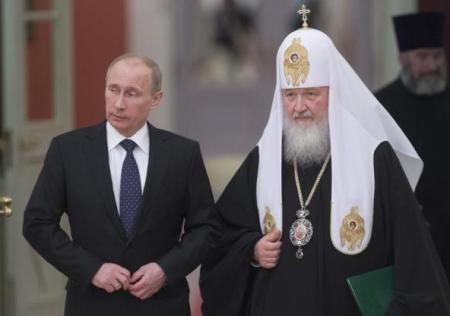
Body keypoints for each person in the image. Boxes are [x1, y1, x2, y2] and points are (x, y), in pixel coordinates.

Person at [200, 9, 450, 316]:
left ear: (334, 93)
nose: (299, 106)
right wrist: (251, 249)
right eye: (290, 95)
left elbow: (414, 256)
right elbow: (220, 235)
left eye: (311, 94)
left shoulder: (375, 158)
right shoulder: (264, 159)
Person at [23, 53, 217, 316]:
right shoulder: (67, 151)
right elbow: (37, 223)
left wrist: (165, 270)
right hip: (91, 304)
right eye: (113, 90)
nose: (118, 103)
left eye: (132, 94)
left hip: (163, 305)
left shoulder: (184, 154)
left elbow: (206, 228)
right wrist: (91, 269)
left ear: (156, 99)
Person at [375, 12, 450, 280]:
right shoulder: (380, 107)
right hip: (407, 233)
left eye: (437, 56)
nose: (432, 65)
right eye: (422, 57)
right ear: (402, 58)